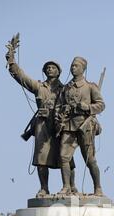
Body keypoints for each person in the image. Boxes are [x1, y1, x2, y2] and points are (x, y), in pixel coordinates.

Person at [5, 38, 77, 197]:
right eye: (48, 68)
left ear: (59, 72)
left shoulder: (65, 89)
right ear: (45, 71)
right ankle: (44, 188)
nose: (50, 69)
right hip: (43, 124)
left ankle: (71, 186)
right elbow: (21, 77)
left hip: (61, 124)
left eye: (53, 67)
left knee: (66, 156)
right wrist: (11, 61)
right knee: (41, 158)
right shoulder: (38, 87)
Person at [55, 57, 105, 196]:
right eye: (72, 66)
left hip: (84, 126)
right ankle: (66, 186)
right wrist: (59, 116)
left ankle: (98, 188)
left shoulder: (90, 87)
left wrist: (88, 107)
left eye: (76, 66)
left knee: (90, 160)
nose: (73, 68)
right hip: (68, 126)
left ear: (83, 68)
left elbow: (101, 105)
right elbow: (58, 105)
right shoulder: (66, 88)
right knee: (63, 157)